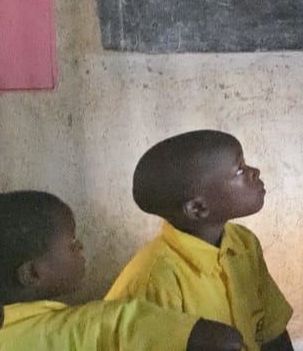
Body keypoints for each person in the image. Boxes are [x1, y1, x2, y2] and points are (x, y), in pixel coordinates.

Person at [0, 190, 243, 351]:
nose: (80, 247)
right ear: (31, 274)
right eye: (71, 243)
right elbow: (222, 341)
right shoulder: (84, 327)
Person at [106, 130, 293, 351]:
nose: (255, 172)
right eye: (239, 170)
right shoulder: (156, 281)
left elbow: (272, 331)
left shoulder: (243, 242)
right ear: (197, 208)